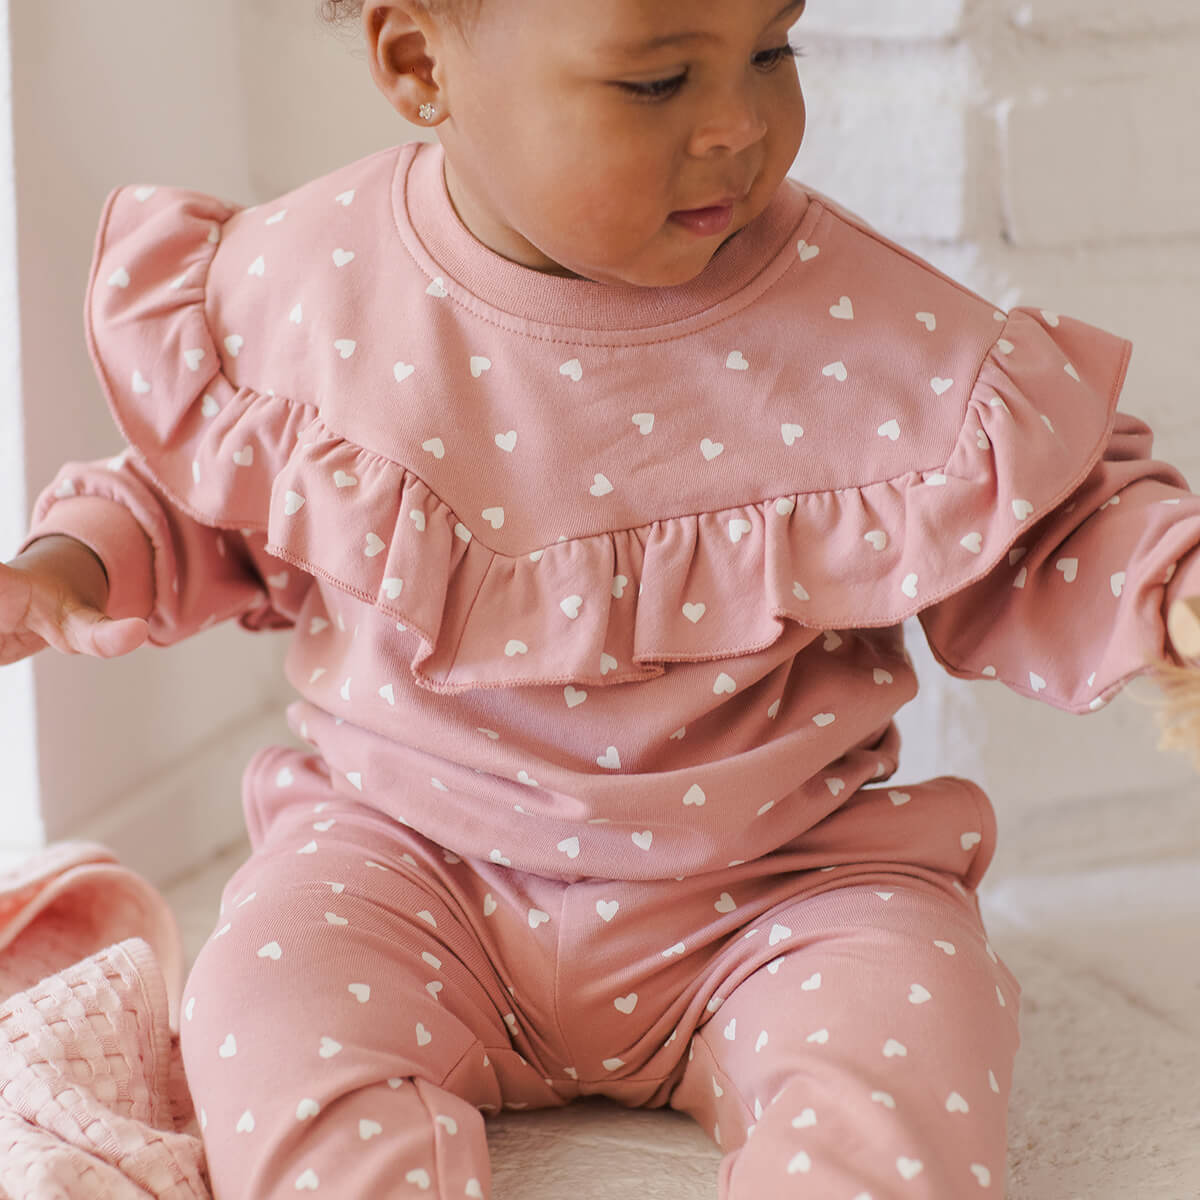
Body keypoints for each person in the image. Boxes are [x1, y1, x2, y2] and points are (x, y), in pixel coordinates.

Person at [2, 0, 1197, 1195]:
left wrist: (1168, 582)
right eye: (657, 83)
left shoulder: (860, 326)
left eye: (771, 50)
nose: (739, 125)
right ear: (419, 64)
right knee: (263, 1009)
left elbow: (1044, 513)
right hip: (408, 862)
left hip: (782, 883)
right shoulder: (314, 287)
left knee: (913, 1044)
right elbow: (209, 491)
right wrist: (68, 566)